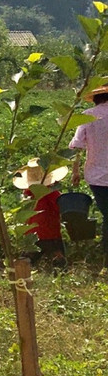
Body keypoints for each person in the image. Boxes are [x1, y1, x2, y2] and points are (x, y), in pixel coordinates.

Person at [70, 84, 108, 267]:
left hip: (97, 175)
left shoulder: (87, 116)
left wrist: (75, 171)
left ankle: (105, 253)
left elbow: (77, 146)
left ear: (95, 98)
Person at [12, 158, 67, 267]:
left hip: (32, 232)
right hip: (50, 232)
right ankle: (60, 273)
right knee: (58, 256)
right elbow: (59, 207)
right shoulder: (51, 192)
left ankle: (21, 272)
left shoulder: (27, 193)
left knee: (29, 257)